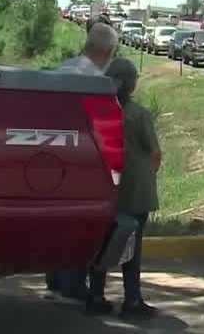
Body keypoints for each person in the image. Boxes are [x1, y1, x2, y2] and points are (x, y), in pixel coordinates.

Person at [47, 21, 119, 300]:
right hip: (82, 164)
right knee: (78, 228)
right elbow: (105, 133)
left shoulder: (62, 69)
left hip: (50, 159)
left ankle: (54, 279)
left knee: (56, 224)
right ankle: (72, 284)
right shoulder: (97, 84)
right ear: (108, 51)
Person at [86, 57, 162, 319]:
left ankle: (95, 296)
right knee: (133, 248)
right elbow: (155, 153)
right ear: (131, 85)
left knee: (102, 244)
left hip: (106, 188)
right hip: (136, 190)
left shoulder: (98, 112)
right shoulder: (140, 114)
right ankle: (132, 300)